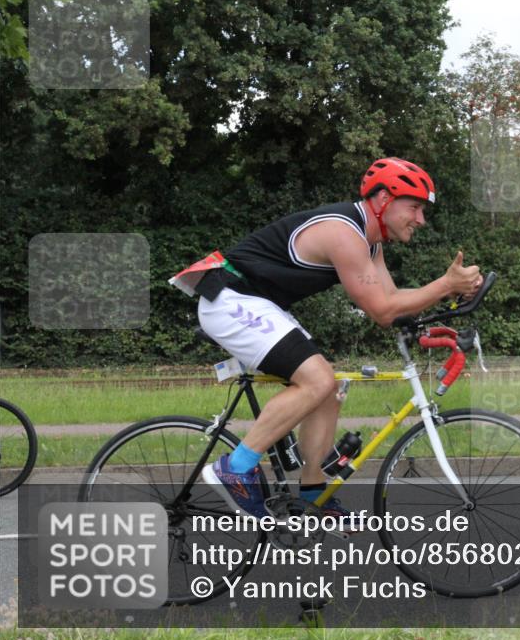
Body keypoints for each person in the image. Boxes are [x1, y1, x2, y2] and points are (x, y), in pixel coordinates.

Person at [191, 157, 482, 519]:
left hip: (259, 303)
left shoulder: (369, 243)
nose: (421, 219)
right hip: (230, 298)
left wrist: (449, 301)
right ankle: (234, 468)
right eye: (415, 207)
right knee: (318, 379)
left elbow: (394, 304)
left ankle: (313, 493)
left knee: (329, 385)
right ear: (383, 200)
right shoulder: (343, 232)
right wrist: (444, 284)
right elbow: (382, 310)